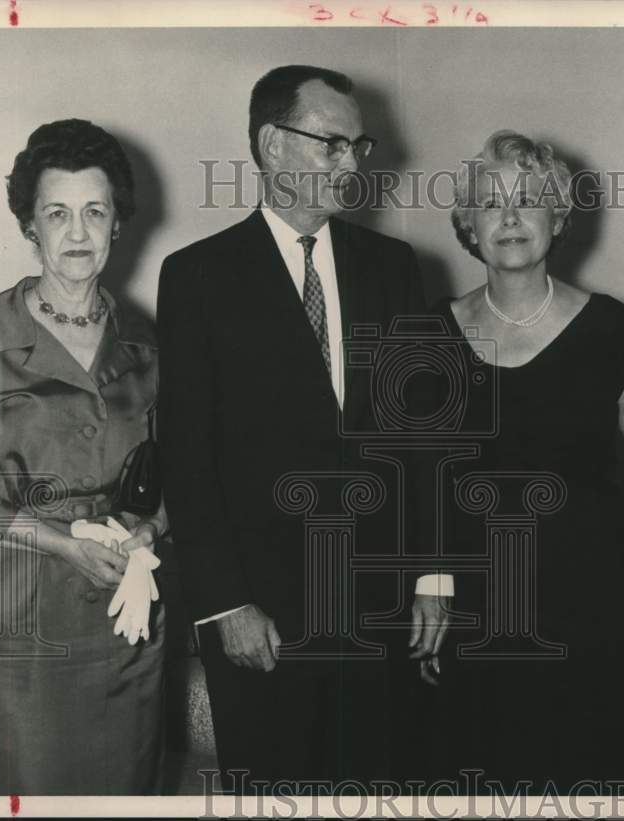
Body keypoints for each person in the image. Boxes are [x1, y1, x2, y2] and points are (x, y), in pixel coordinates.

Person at [157, 65, 449, 789]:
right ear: (271, 144)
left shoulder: (395, 266)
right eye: (332, 145)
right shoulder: (197, 276)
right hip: (263, 614)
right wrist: (225, 601)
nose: (351, 165)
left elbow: (422, 439)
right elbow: (186, 455)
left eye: (359, 146)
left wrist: (434, 574)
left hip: (384, 610)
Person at [0, 119, 167, 795]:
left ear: (117, 225)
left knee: (127, 790)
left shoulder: (147, 343)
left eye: (95, 212)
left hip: (126, 614)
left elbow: (176, 477)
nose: (78, 234)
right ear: (29, 227)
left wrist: (150, 529)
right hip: (22, 622)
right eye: (58, 213)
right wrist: (60, 542)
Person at [424, 131, 624, 792]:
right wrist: (428, 583)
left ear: (559, 216)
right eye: (491, 203)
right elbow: (417, 479)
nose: (511, 217)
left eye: (530, 200)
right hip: (474, 602)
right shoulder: (428, 328)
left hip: (592, 596)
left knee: (588, 773)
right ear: (469, 224)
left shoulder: (611, 327)